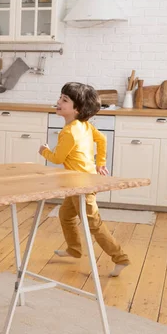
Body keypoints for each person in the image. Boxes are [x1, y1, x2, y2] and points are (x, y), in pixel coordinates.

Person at [38, 82, 130, 277]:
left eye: (65, 100)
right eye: (60, 97)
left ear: (77, 109)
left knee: (94, 224)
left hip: (82, 185)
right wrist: (101, 162)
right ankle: (74, 249)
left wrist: (44, 151)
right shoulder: (84, 125)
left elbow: (57, 158)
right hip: (78, 183)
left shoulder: (69, 132)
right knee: (66, 215)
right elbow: (102, 140)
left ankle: (120, 258)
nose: (58, 102)